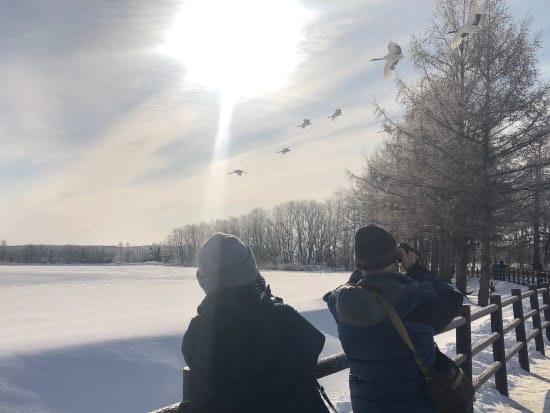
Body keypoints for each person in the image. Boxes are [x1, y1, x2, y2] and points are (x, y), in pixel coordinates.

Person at [182, 232, 329, 413]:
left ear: (204, 281)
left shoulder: (197, 333)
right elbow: (313, 343)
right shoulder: (280, 317)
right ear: (251, 272)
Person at [324, 224, 463, 413]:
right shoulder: (419, 296)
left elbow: (351, 286)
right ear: (396, 258)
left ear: (359, 262)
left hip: (367, 406)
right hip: (418, 405)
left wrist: (365, 267)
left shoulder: (339, 303)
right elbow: (453, 297)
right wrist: (415, 268)